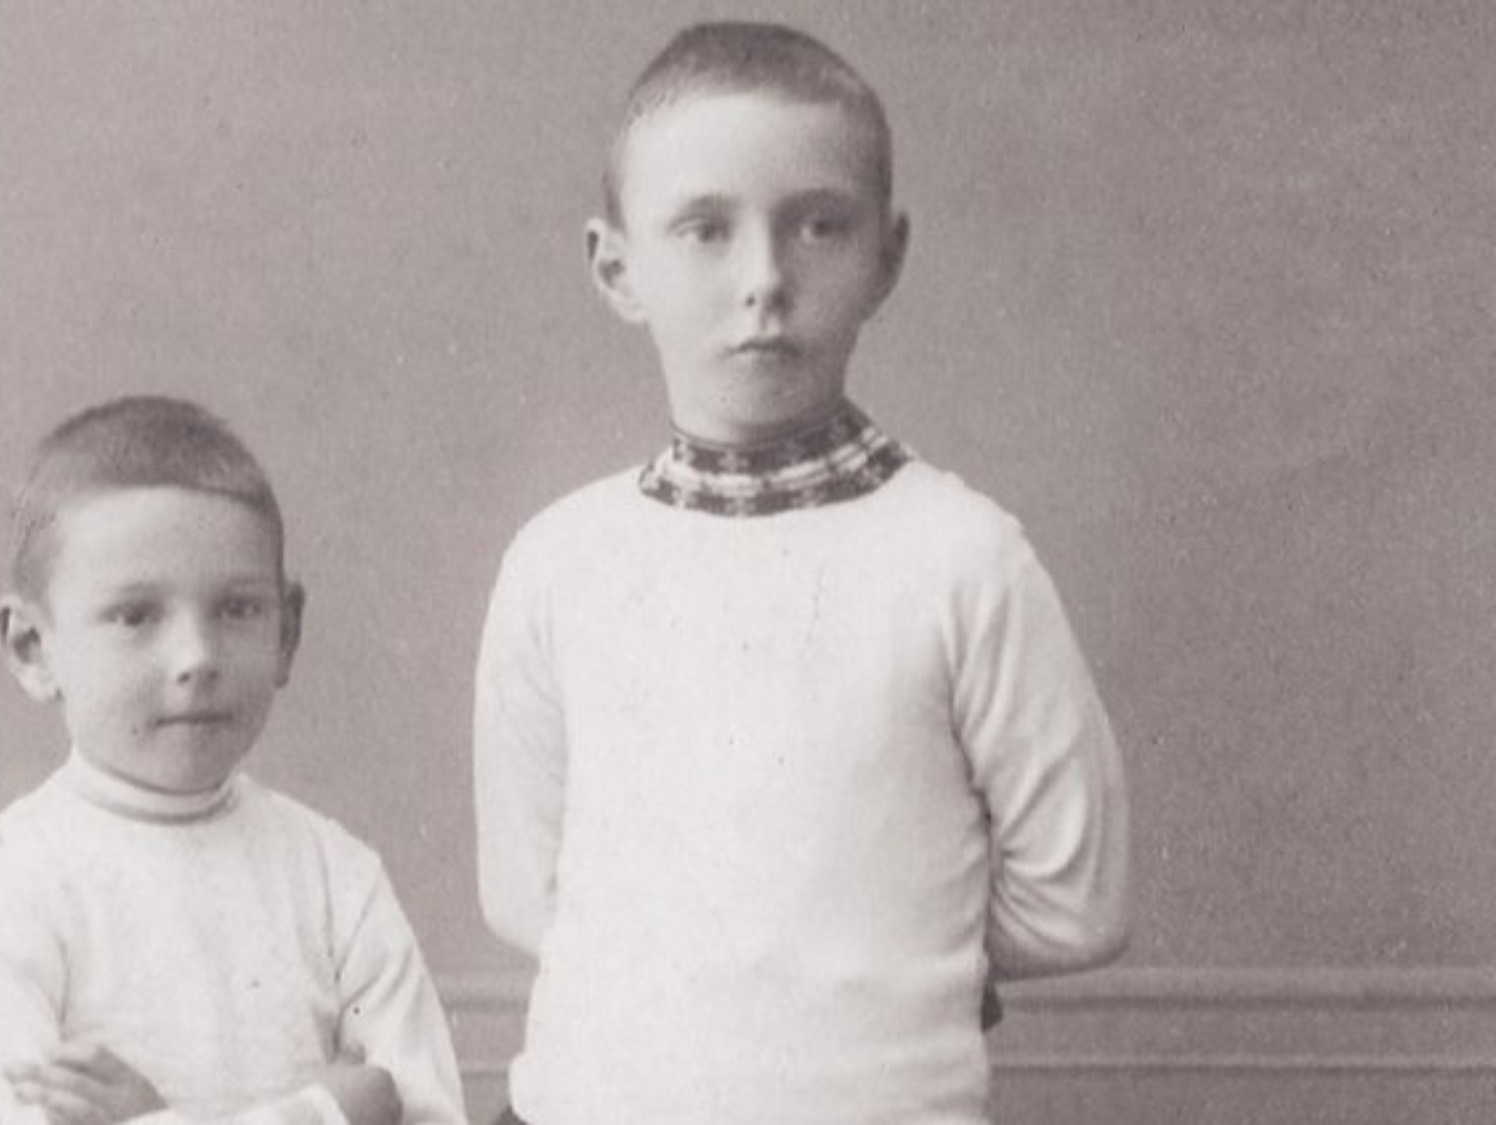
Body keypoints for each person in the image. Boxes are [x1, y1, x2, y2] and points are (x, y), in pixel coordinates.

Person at [473, 22, 1130, 1124]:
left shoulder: (961, 557)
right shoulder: (560, 561)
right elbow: (528, 890)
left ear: (887, 257)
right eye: (705, 230)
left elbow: (1077, 903)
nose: (765, 281)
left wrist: (878, 962)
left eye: (819, 226)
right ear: (617, 268)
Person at [0, 396, 466, 1125]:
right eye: (135, 615)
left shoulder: (337, 874)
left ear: (287, 633)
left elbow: (426, 1114)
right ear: (33, 647)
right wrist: (324, 1110)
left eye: (237, 609)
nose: (198, 656)